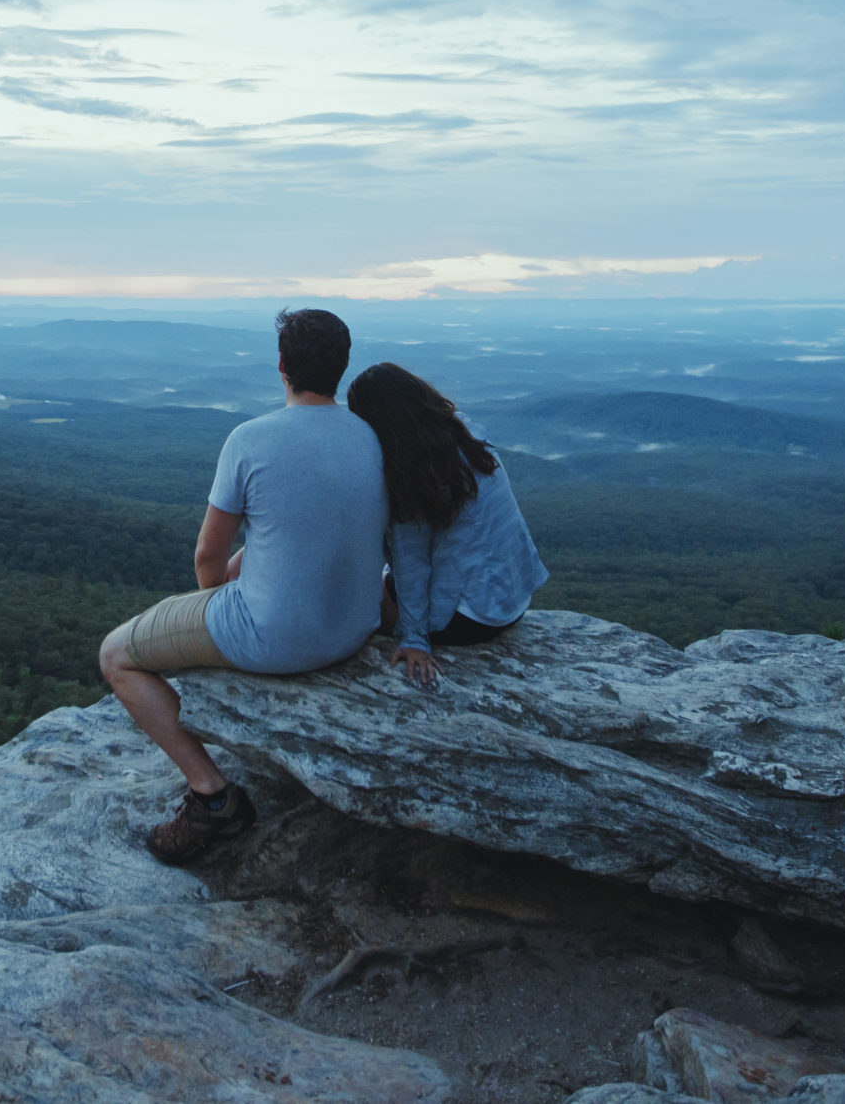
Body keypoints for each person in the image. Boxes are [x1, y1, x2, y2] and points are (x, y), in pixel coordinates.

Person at [97, 307, 389, 863]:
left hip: (275, 639)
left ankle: (213, 799)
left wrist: (213, 602)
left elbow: (208, 554)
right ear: (342, 368)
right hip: (353, 629)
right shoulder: (372, 438)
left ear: (281, 366)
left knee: (116, 655)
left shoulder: (251, 439)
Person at [345, 362, 549, 689]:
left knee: (340, 594)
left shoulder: (413, 469)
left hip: (466, 617)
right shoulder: (462, 433)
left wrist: (414, 638)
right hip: (511, 601)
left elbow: (411, 561)